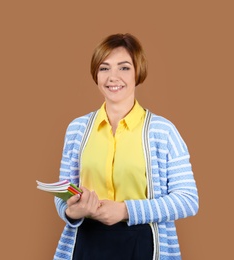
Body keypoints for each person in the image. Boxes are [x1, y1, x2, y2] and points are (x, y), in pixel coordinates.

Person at [53, 33, 199, 260]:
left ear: (137, 72)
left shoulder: (163, 131)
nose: (113, 77)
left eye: (124, 68)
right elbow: (64, 191)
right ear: (96, 74)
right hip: (85, 245)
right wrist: (72, 210)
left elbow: (188, 200)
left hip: (142, 245)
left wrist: (125, 211)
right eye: (104, 68)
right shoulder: (77, 129)